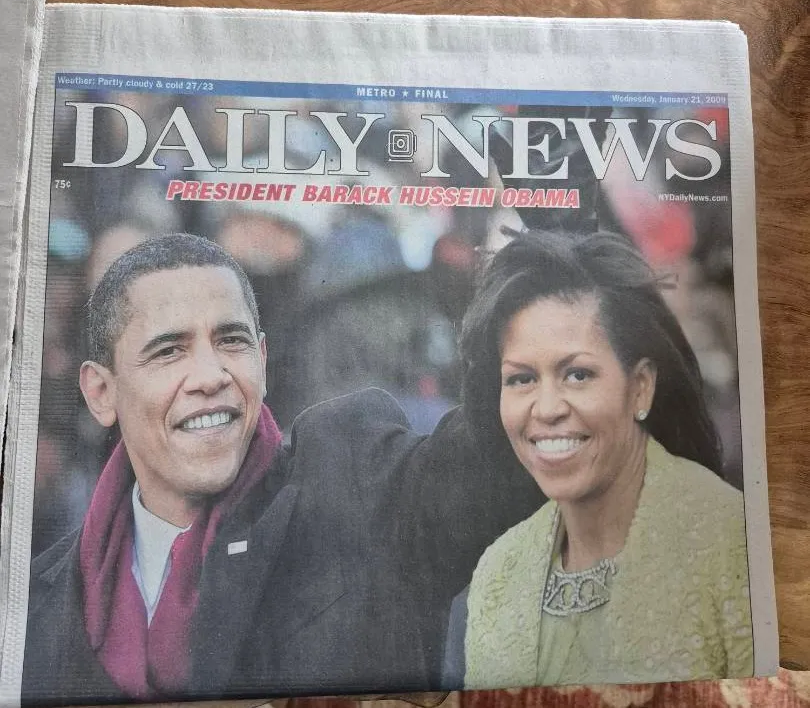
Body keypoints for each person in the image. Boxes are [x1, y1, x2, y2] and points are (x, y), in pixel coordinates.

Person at [22, 233, 544, 704]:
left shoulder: (356, 481)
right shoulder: (36, 603)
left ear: (263, 360)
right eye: (169, 351)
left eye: (231, 340)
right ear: (101, 392)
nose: (210, 375)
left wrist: (550, 269)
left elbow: (501, 462)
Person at [443, 229, 752, 688]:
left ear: (640, 387)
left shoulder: (732, 542)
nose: (547, 409)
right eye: (522, 379)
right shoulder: (496, 575)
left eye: (577, 374)